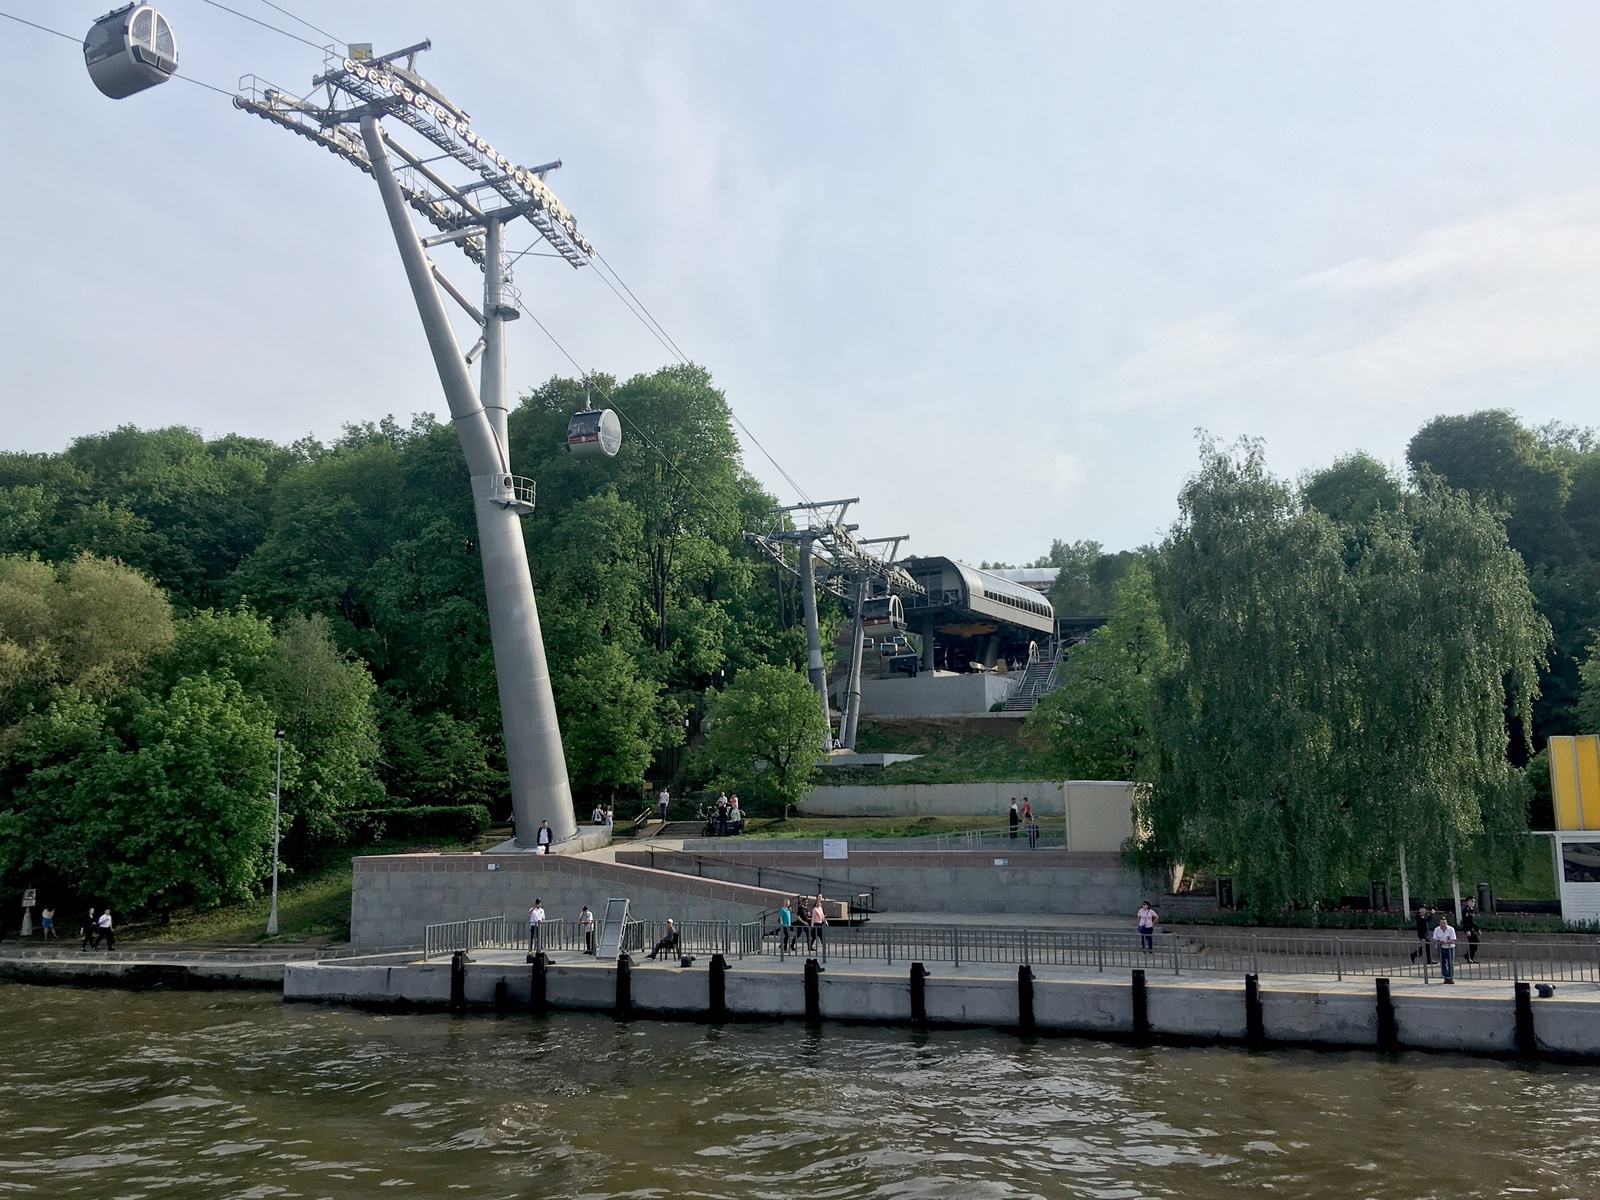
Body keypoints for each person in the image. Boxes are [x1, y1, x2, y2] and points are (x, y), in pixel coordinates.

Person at [1433, 913, 1458, 983]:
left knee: (1451, 963)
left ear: (1446, 923)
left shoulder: (1451, 929)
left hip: (1450, 948)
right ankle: (1446, 977)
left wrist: (1446, 941)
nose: (1442, 925)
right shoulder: (1437, 929)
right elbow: (1434, 939)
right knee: (1443, 963)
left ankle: (1451, 977)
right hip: (1441, 947)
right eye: (1441, 923)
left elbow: (1453, 939)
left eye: (1444, 923)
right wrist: (1439, 941)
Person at [1462, 900, 1480, 964]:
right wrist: (1467, 930)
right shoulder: (1466, 910)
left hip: (1471, 929)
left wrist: (1477, 929)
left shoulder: (1470, 910)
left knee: (1474, 942)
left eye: (1474, 902)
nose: (1473, 903)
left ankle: (1469, 956)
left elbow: (1471, 921)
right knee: (1474, 942)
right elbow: (1465, 921)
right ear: (1468, 902)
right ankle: (1469, 957)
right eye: (1472, 902)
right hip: (1469, 929)